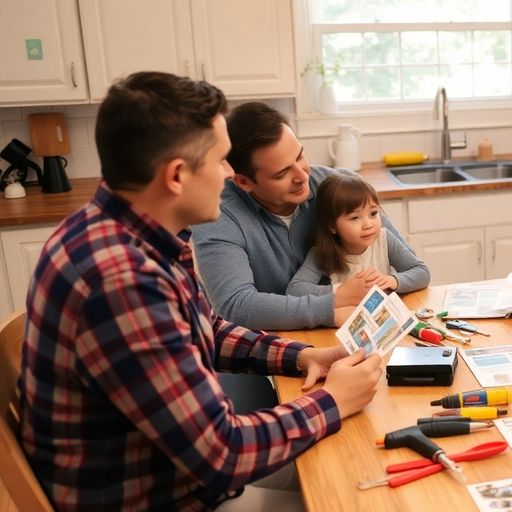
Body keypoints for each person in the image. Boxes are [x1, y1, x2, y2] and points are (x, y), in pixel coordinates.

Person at [19, 71, 383, 511]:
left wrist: (300, 355)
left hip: (176, 471)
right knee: (360, 488)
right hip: (164, 496)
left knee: (363, 464)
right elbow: (223, 453)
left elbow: (204, 327)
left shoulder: (129, 234)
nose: (230, 176)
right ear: (176, 176)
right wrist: (332, 401)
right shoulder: (121, 281)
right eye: (220, 161)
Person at [191, 102, 408, 330]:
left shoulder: (337, 186)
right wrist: (333, 304)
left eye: (300, 155)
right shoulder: (217, 215)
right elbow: (237, 305)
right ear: (244, 181)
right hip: (272, 350)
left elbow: (405, 263)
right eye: (282, 173)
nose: (302, 176)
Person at [286, 172, 428, 298]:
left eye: (373, 213)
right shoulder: (321, 253)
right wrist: (341, 290)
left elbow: (422, 272)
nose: (368, 225)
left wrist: (392, 280)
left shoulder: (384, 240)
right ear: (332, 226)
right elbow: (295, 290)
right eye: (355, 218)